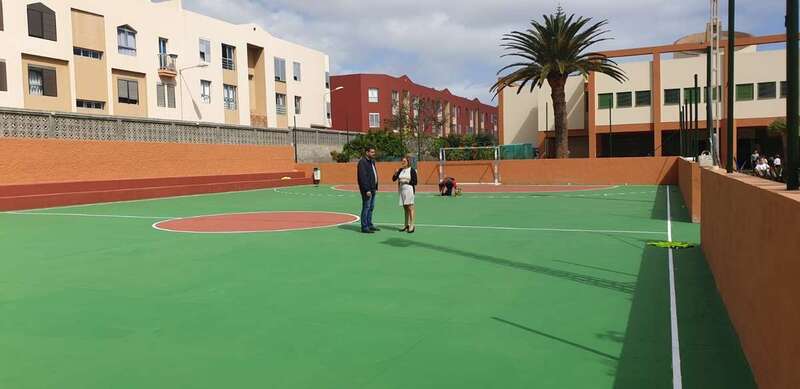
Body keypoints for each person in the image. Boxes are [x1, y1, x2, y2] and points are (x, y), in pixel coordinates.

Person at [392, 156, 418, 233]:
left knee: (410, 207)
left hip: (409, 190)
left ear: (408, 162)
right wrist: (395, 173)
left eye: (404, 161)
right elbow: (394, 179)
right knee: (405, 208)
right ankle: (406, 225)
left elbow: (415, 182)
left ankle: (412, 225)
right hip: (402, 190)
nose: (403, 162)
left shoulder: (412, 170)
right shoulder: (400, 170)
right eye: (402, 161)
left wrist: (407, 182)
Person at [357, 147, 380, 233]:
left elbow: (374, 174)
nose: (374, 153)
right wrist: (367, 189)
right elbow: (363, 177)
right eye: (372, 152)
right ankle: (364, 227)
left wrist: (375, 187)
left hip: (373, 188)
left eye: (374, 152)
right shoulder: (362, 162)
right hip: (367, 190)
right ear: (367, 153)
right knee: (366, 207)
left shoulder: (372, 162)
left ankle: (369, 224)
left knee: (371, 207)